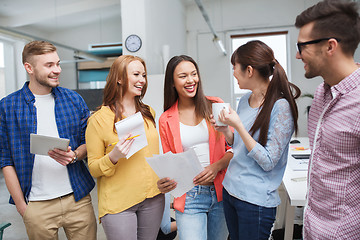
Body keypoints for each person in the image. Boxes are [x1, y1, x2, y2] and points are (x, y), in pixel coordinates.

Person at [0, 40, 96, 240]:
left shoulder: (73, 100)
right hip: (36, 205)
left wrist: (76, 154)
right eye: (49, 65)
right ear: (29, 68)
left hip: (77, 199)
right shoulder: (7, 107)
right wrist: (21, 206)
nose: (57, 70)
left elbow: (90, 142)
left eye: (58, 64)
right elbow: (5, 160)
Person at [214, 40, 300, 240]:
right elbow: (240, 145)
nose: (234, 72)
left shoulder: (281, 107)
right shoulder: (245, 100)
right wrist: (226, 130)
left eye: (235, 67)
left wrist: (239, 126)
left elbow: (269, 161)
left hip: (255, 202)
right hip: (231, 191)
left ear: (249, 70)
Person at [295, 0, 360, 238]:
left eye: (302, 47)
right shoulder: (322, 93)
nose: (297, 54)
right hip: (313, 228)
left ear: (330, 46)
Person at [85, 55, 164, 240]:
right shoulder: (98, 120)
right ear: (119, 78)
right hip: (119, 204)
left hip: (153, 197)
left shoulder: (148, 112)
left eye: (144, 75)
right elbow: (93, 168)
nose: (142, 80)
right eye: (136, 74)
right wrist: (114, 156)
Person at [157, 55, 232, 240]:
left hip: (221, 192)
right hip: (190, 196)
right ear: (172, 82)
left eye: (194, 74)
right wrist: (164, 182)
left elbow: (234, 147)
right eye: (183, 76)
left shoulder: (214, 105)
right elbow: (170, 163)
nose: (191, 80)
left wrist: (215, 167)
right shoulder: (166, 119)